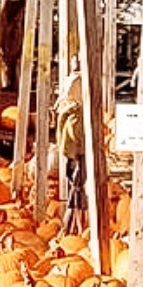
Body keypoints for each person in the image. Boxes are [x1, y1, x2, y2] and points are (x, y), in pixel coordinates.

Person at [55, 55, 87, 229]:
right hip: (74, 131)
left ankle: (76, 216)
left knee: (77, 172)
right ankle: (74, 216)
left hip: (76, 130)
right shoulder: (74, 80)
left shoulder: (78, 80)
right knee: (76, 171)